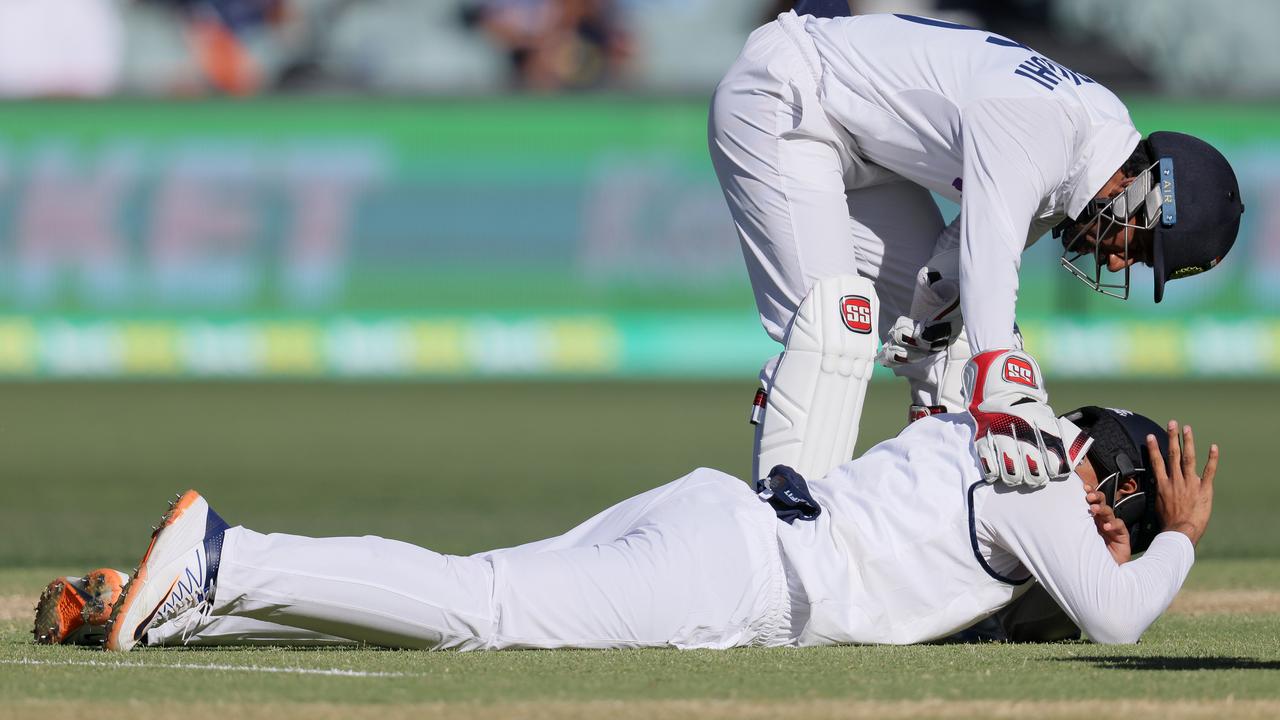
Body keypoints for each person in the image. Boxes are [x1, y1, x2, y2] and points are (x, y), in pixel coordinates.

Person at [33, 351, 1216, 651]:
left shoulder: (977, 424)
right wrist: (1182, 549)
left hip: (720, 519)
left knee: (471, 592)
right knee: (479, 608)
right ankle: (224, 559)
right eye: (1129, 514)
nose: (1117, 542)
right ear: (1102, 481)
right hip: (745, 579)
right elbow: (1112, 616)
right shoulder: (1044, 481)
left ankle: (186, 607)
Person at [708, 9, 1245, 486]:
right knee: (835, 332)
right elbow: (990, 252)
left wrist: (928, 324)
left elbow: (955, 265)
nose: (1118, 261)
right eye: (1141, 248)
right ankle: (788, 543)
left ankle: (927, 529)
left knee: (955, 348)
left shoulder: (1094, 145)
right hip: (786, 96)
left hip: (860, 147)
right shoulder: (1048, 126)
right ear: (1147, 196)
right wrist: (1004, 383)